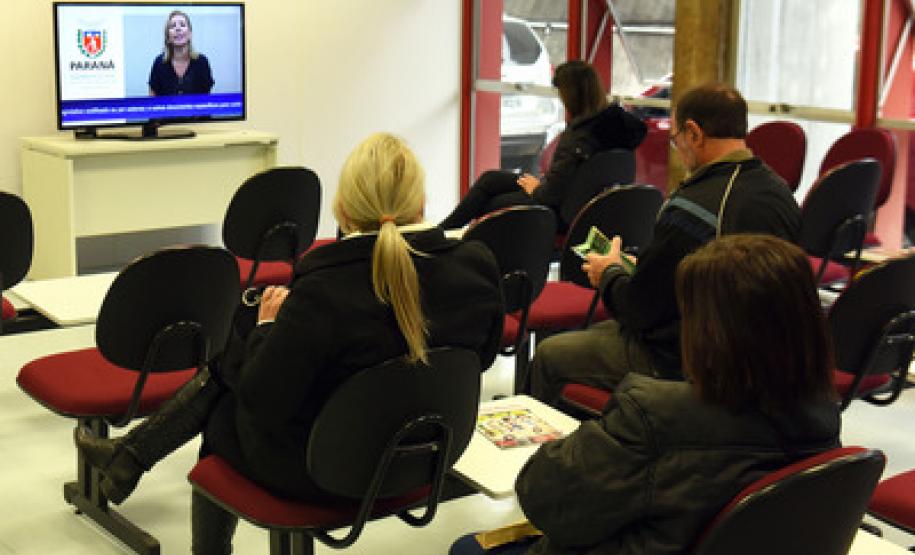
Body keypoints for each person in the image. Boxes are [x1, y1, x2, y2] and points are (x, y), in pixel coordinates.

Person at [74, 133, 504, 554]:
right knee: (236, 364)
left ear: (343, 210)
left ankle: (134, 463)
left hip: (326, 472)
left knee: (225, 406)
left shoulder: (323, 291)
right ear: (421, 203)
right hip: (429, 455)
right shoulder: (477, 265)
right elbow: (480, 360)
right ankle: (127, 458)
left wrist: (265, 327)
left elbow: (263, 402)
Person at [451, 234, 840, 555]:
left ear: (711, 332)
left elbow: (544, 500)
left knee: (467, 547)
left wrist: (587, 444)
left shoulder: (654, 415)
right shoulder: (822, 414)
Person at [528, 83, 802, 406]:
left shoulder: (691, 207)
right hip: (763, 364)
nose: (678, 150)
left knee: (550, 354)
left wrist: (609, 274)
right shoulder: (780, 194)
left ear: (694, 133)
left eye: (676, 139)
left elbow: (640, 310)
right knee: (596, 335)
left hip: (689, 361)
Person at [440, 60, 646, 232]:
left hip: (559, 211)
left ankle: (442, 234)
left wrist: (537, 189)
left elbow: (549, 195)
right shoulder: (618, 128)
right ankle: (442, 231)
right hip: (584, 206)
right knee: (491, 179)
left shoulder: (578, 138)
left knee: (491, 203)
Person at [148, 10, 215, 96]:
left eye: (182, 25)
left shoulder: (202, 62)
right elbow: (152, 98)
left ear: (190, 34)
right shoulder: (159, 63)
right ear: (168, 37)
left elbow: (207, 99)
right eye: (173, 26)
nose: (178, 29)